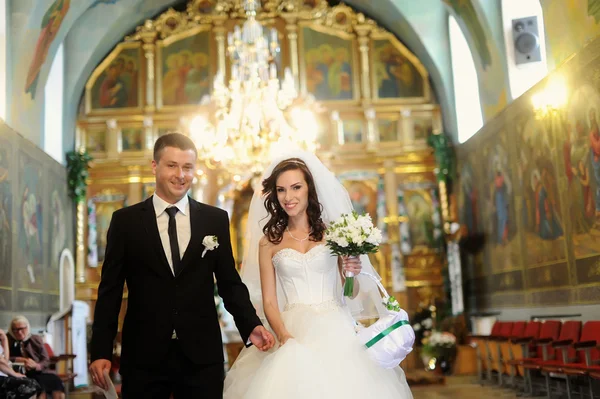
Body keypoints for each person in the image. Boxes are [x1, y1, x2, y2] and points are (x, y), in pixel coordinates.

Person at [89, 132, 274, 398]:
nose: (181, 175)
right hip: (144, 355)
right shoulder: (125, 222)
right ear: (155, 166)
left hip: (201, 355)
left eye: (187, 167)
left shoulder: (214, 219)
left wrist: (251, 324)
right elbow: (110, 291)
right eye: (172, 165)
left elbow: (229, 283)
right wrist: (101, 351)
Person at [223, 150, 413, 398]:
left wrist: (351, 272)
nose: (288, 197)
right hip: (292, 328)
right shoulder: (268, 243)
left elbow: (351, 292)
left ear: (309, 190)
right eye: (281, 190)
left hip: (336, 327)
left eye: (295, 187)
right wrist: (284, 336)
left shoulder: (334, 234)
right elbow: (269, 301)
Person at [6, 317, 62, 399]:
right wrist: (18, 359)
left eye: (22, 329)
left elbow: (46, 360)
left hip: (37, 372)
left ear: (27, 327)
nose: (19, 332)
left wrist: (36, 365)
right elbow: (3, 358)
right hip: (16, 373)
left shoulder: (35, 339)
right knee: (37, 384)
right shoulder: (7, 340)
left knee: (56, 381)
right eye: (15, 330)